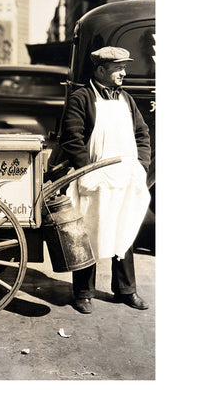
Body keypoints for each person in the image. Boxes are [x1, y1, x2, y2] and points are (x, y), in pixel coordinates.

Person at [59, 46, 151, 314]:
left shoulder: (126, 100)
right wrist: (87, 169)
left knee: (124, 229)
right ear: (101, 70)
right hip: (94, 180)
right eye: (118, 69)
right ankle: (83, 293)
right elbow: (72, 138)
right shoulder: (82, 98)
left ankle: (125, 290)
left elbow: (142, 134)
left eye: (124, 68)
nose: (124, 73)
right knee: (87, 233)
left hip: (124, 178)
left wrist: (141, 165)